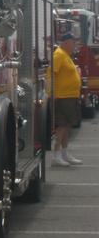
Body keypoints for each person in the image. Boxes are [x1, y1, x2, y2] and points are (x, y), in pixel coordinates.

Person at [51, 31, 83, 166]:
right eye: (73, 42)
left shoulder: (66, 55)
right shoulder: (58, 54)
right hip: (62, 96)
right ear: (66, 42)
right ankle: (57, 155)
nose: (74, 44)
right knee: (62, 126)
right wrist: (53, 94)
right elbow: (51, 74)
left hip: (70, 96)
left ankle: (65, 153)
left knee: (68, 125)